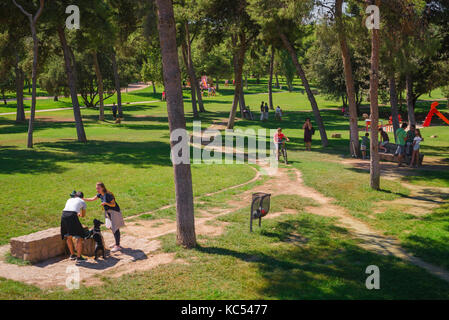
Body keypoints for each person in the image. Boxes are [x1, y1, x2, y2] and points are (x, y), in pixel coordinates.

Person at [84, 182, 125, 252]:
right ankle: (116, 243)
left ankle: (117, 246)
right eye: (96, 188)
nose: (97, 190)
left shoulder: (108, 194)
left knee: (115, 228)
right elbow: (92, 199)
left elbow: (113, 205)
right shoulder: (100, 194)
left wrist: (106, 203)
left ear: (102, 187)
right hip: (108, 212)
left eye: (98, 188)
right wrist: (82, 199)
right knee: (112, 228)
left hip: (114, 212)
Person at [61, 191, 87, 262]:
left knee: (68, 236)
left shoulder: (69, 199)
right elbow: (83, 215)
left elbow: (70, 209)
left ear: (75, 196)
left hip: (63, 215)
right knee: (80, 236)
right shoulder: (82, 201)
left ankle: (72, 255)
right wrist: (79, 214)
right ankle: (79, 257)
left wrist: (77, 213)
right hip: (72, 216)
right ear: (82, 197)